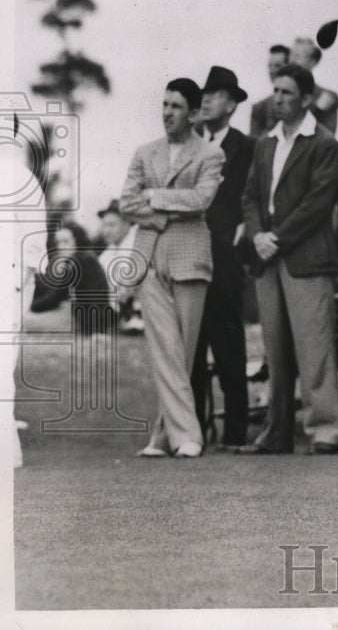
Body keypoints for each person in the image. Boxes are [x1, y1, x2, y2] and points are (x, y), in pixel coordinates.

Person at [239, 63, 338, 454]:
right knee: (275, 351)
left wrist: (276, 238)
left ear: (305, 98)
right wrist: (257, 235)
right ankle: (277, 432)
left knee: (314, 348)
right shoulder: (265, 143)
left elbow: (318, 202)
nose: (277, 98)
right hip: (269, 258)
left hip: (306, 259)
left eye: (285, 92)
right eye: (275, 90)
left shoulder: (324, 143)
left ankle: (325, 430)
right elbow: (250, 196)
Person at [120, 79, 225, 458]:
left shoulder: (210, 154)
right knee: (165, 349)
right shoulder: (144, 152)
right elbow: (127, 204)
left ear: (194, 114)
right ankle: (186, 437)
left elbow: (202, 199)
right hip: (150, 255)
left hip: (190, 258)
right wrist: (165, 215)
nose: (167, 112)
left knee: (183, 352)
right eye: (164, 104)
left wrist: (156, 196)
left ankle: (168, 437)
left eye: (177, 106)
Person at [190, 66, 256, 450]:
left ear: (232, 103)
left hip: (226, 258)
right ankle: (193, 431)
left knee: (229, 343)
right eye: (205, 93)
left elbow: (252, 197)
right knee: (193, 345)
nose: (207, 99)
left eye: (215, 94)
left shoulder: (247, 146)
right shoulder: (189, 144)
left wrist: (242, 233)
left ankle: (235, 433)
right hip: (190, 254)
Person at [0, 110, 50, 468]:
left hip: (9, 284)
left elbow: (34, 246)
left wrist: (18, 288)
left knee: (2, 369)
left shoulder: (22, 178)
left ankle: (6, 452)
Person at [96, 199, 143, 333]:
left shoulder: (136, 243)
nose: (106, 231)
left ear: (127, 223)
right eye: (104, 225)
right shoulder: (110, 250)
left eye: (111, 225)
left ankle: (133, 318)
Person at [249, 44, 290, 138]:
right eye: (270, 66)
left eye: (277, 66)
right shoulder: (259, 107)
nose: (272, 71)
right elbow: (254, 144)